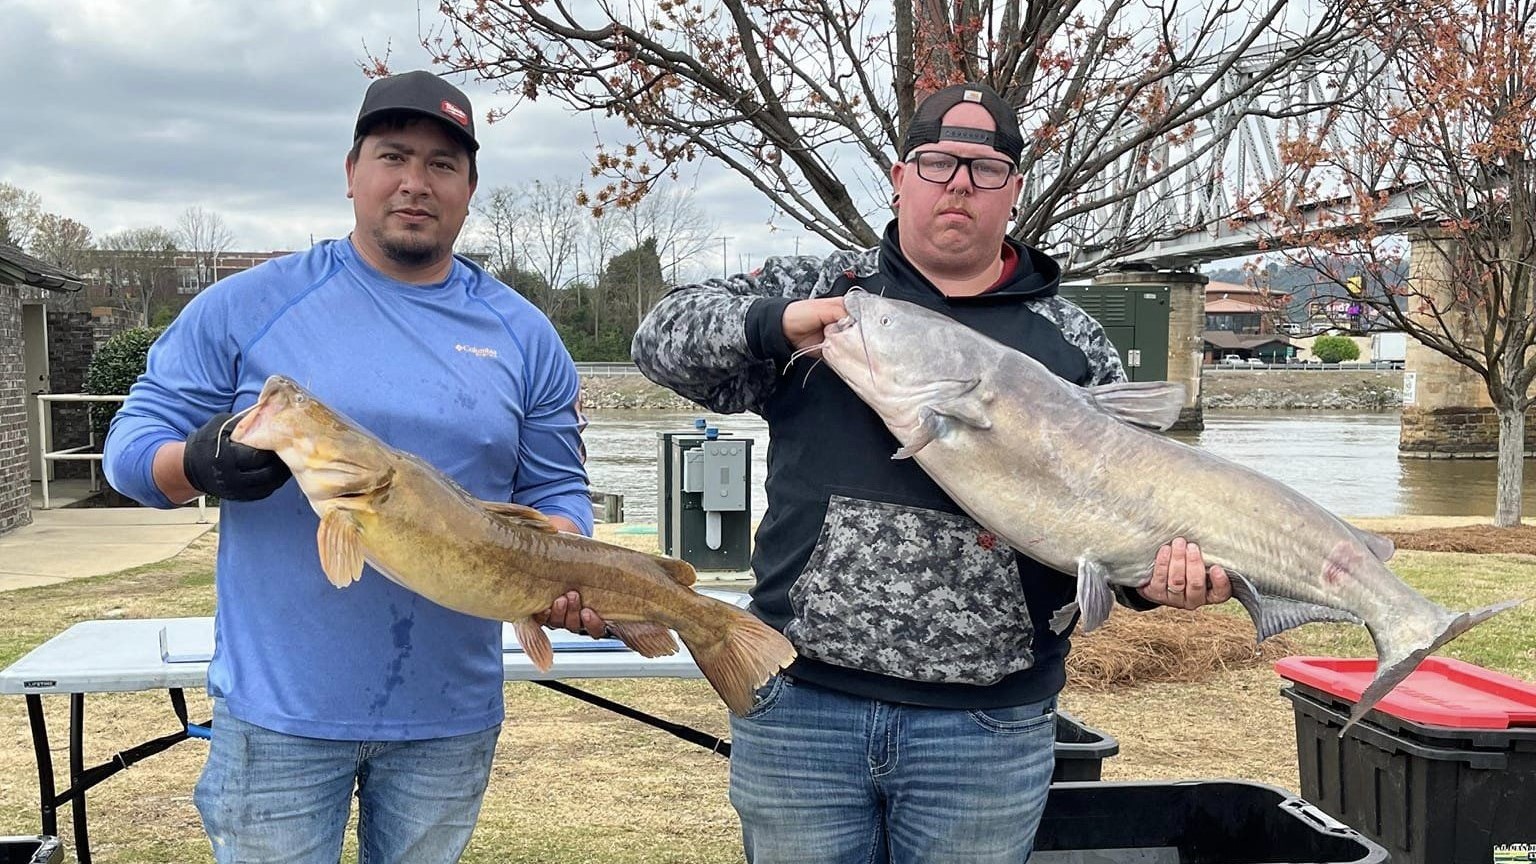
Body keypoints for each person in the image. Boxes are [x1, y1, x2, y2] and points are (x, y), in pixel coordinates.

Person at [626, 82, 1234, 863]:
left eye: (985, 169)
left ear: (1013, 189)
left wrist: (1154, 582)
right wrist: (774, 323)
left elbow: (1112, 524)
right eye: (937, 162)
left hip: (986, 731)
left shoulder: (1072, 343)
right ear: (899, 174)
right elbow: (661, 339)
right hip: (800, 708)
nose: (958, 184)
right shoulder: (829, 298)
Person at [103, 70, 596, 864]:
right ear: (350, 172)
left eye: (442, 165)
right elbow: (128, 452)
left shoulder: (524, 334)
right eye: (392, 156)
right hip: (278, 715)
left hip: (448, 715)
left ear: (470, 187)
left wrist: (561, 562)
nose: (414, 183)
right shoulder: (247, 305)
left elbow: (556, 488)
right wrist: (200, 461)